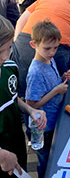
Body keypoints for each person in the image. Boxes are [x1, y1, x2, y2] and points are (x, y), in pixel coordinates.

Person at [0, 15, 46, 177]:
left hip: (16, 143)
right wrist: (2, 155)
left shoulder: (9, 67)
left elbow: (11, 96)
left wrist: (30, 110)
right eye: (0, 51)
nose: (6, 56)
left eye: (9, 48)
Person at [26, 20, 70, 178]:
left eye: (55, 47)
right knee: (46, 162)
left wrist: (62, 78)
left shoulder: (49, 59)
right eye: (47, 48)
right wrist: (56, 91)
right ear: (34, 44)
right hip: (44, 127)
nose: (52, 52)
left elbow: (50, 84)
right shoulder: (35, 72)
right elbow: (31, 104)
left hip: (55, 119)